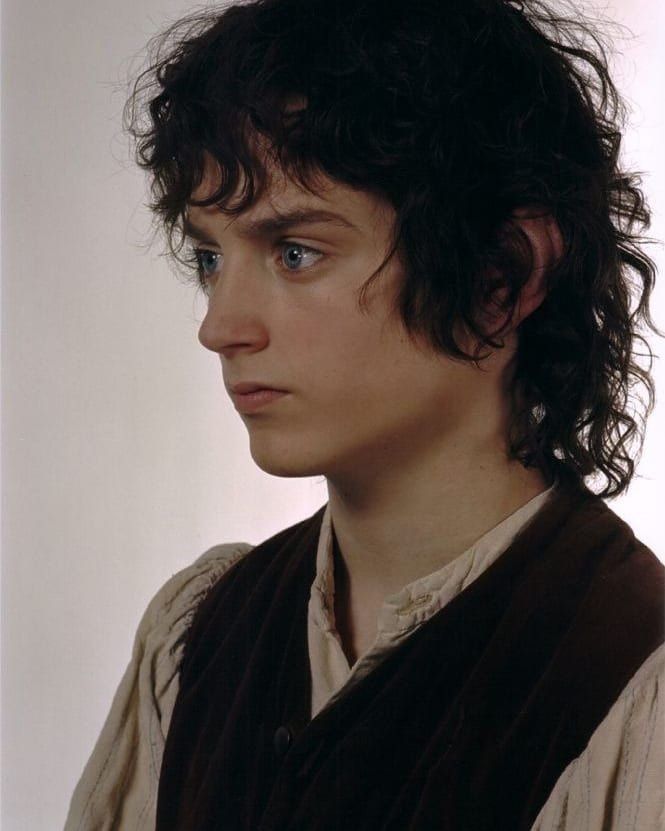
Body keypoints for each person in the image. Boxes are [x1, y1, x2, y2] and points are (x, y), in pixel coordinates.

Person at [65, 0, 664, 828]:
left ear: (502, 276)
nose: (219, 326)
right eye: (210, 256)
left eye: (295, 252)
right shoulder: (199, 636)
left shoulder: (634, 676)